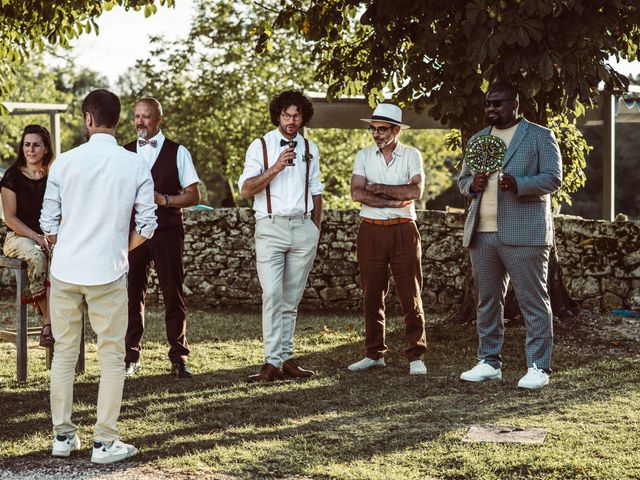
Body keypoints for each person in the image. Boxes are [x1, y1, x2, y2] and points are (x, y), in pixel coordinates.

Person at [40, 89, 157, 463]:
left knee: (63, 354)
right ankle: (104, 442)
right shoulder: (136, 164)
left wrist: (66, 246)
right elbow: (148, 225)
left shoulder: (64, 163)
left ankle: (62, 437)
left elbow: (48, 223)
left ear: (88, 119)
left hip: (66, 271)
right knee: (111, 358)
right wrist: (122, 249)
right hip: (107, 270)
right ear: (118, 120)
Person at [457, 82, 562, 390]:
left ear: (515, 104)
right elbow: (462, 180)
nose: (491, 109)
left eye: (498, 104)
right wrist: (471, 185)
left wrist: (519, 184)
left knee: (533, 302)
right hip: (482, 234)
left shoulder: (540, 136)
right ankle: (489, 362)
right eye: (488, 104)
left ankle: (538, 367)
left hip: (525, 235)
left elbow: (553, 178)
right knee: (487, 302)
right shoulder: (479, 139)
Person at [239, 90, 323, 382]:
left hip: (302, 228)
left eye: (297, 115)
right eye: (286, 115)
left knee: (291, 299)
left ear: (303, 117)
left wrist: (315, 228)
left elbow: (316, 191)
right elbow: (246, 189)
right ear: (278, 115)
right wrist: (275, 167)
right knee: (272, 295)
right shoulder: (260, 146)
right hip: (271, 227)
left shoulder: (310, 147)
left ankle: (285, 359)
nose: (291, 120)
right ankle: (271, 361)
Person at [347, 103, 427, 376]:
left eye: (382, 129)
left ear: (396, 130)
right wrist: (394, 197)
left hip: (404, 229)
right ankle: (374, 354)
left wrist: (377, 189)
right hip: (370, 229)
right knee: (372, 294)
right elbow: (357, 193)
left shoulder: (412, 155)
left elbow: (415, 190)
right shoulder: (364, 155)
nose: (376, 134)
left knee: (410, 293)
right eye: (373, 128)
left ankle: (416, 354)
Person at [123, 97, 201, 379]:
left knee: (173, 293)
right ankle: (130, 356)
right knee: (132, 294)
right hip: (133, 233)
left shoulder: (178, 152)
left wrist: (164, 199)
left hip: (168, 230)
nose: (140, 121)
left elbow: (194, 195)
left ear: (159, 120)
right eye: (136, 116)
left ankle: (179, 357)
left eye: (146, 116)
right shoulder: (124, 152)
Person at [1, 125, 54, 347]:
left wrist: (51, 238)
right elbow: (10, 219)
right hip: (17, 237)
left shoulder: (54, 175)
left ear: (45, 149)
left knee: (60, 259)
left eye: (36, 145)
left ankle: (53, 323)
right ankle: (49, 323)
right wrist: (37, 237)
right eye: (26, 144)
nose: (30, 150)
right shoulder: (12, 176)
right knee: (38, 256)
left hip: (47, 236)